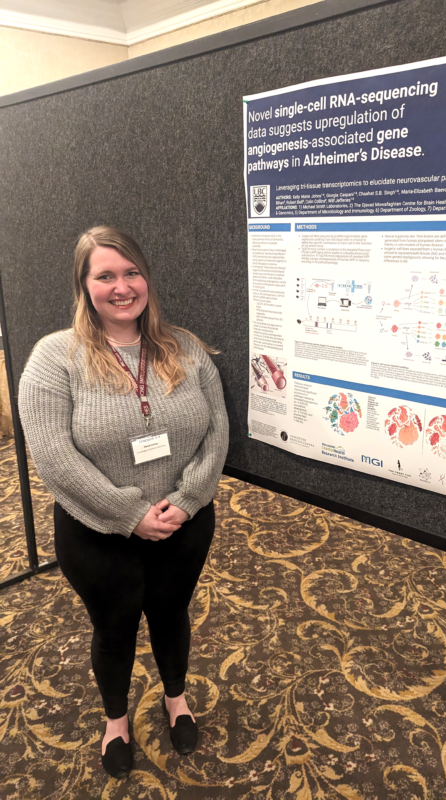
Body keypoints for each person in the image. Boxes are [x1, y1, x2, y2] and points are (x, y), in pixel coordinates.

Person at [18, 226, 229, 778]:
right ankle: (116, 720)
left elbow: (218, 432)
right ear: (84, 286)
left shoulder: (183, 346)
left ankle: (175, 699)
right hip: (97, 531)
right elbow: (54, 457)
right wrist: (130, 514)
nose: (121, 286)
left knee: (171, 613)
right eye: (105, 275)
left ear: (147, 279)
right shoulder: (53, 359)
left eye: (131, 272)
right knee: (113, 627)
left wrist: (188, 499)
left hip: (185, 521)